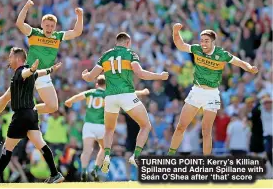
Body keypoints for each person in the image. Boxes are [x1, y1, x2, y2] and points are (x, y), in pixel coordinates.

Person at [82, 32, 169, 173]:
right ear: (128, 43)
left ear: (117, 42)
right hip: (126, 95)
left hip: (110, 97)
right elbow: (140, 73)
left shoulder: (105, 55)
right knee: (146, 125)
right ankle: (136, 156)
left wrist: (84, 75)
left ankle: (107, 156)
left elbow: (91, 77)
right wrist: (159, 76)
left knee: (109, 130)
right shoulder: (130, 54)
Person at [168, 23, 258, 156]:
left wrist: (249, 67)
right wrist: (175, 32)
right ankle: (170, 157)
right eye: (202, 40)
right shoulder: (197, 49)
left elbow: (238, 61)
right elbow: (180, 45)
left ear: (213, 42)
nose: (203, 43)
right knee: (181, 126)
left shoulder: (221, 54)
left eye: (206, 41)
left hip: (211, 94)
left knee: (206, 130)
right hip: (197, 90)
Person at [0, 47, 64, 184]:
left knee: (7, 147)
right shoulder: (26, 74)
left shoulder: (20, 72)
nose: (9, 59)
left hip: (21, 116)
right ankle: (55, 174)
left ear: (18, 59)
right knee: (41, 144)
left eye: (10, 57)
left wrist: (32, 69)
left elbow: (26, 72)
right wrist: (50, 70)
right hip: (32, 114)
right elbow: (38, 73)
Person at [65, 75, 150, 181]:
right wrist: (142, 92)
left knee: (86, 150)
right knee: (104, 149)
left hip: (88, 125)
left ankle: (84, 171)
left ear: (97, 84)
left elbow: (78, 96)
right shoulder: (109, 93)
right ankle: (95, 168)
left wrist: (69, 101)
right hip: (101, 125)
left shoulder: (91, 92)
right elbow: (127, 94)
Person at [16, 0, 83, 114]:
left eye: (52, 26)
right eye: (47, 25)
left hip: (44, 74)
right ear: (42, 25)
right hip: (29, 72)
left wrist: (80, 16)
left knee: (53, 107)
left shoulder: (57, 36)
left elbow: (76, 32)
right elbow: (19, 24)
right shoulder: (34, 33)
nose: (49, 28)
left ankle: (27, 111)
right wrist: (26, 7)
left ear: (55, 27)